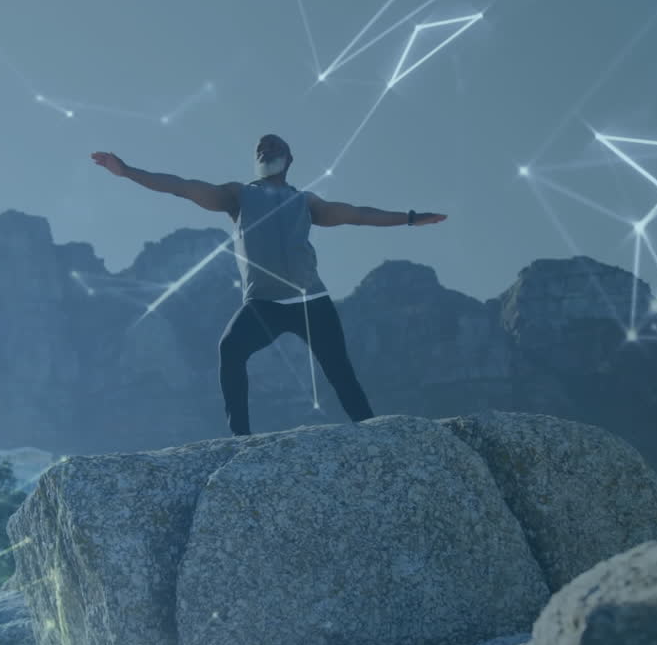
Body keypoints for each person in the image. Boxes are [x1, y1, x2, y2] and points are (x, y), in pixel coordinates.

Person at [91, 134, 448, 435]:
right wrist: (126, 172)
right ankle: (240, 439)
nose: (265, 149)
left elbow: (359, 215)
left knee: (341, 373)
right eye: (260, 148)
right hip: (263, 306)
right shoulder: (237, 195)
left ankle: (373, 433)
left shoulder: (305, 201)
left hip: (312, 303)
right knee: (230, 350)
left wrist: (411, 219)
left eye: (273, 146)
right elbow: (181, 187)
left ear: (288, 159)